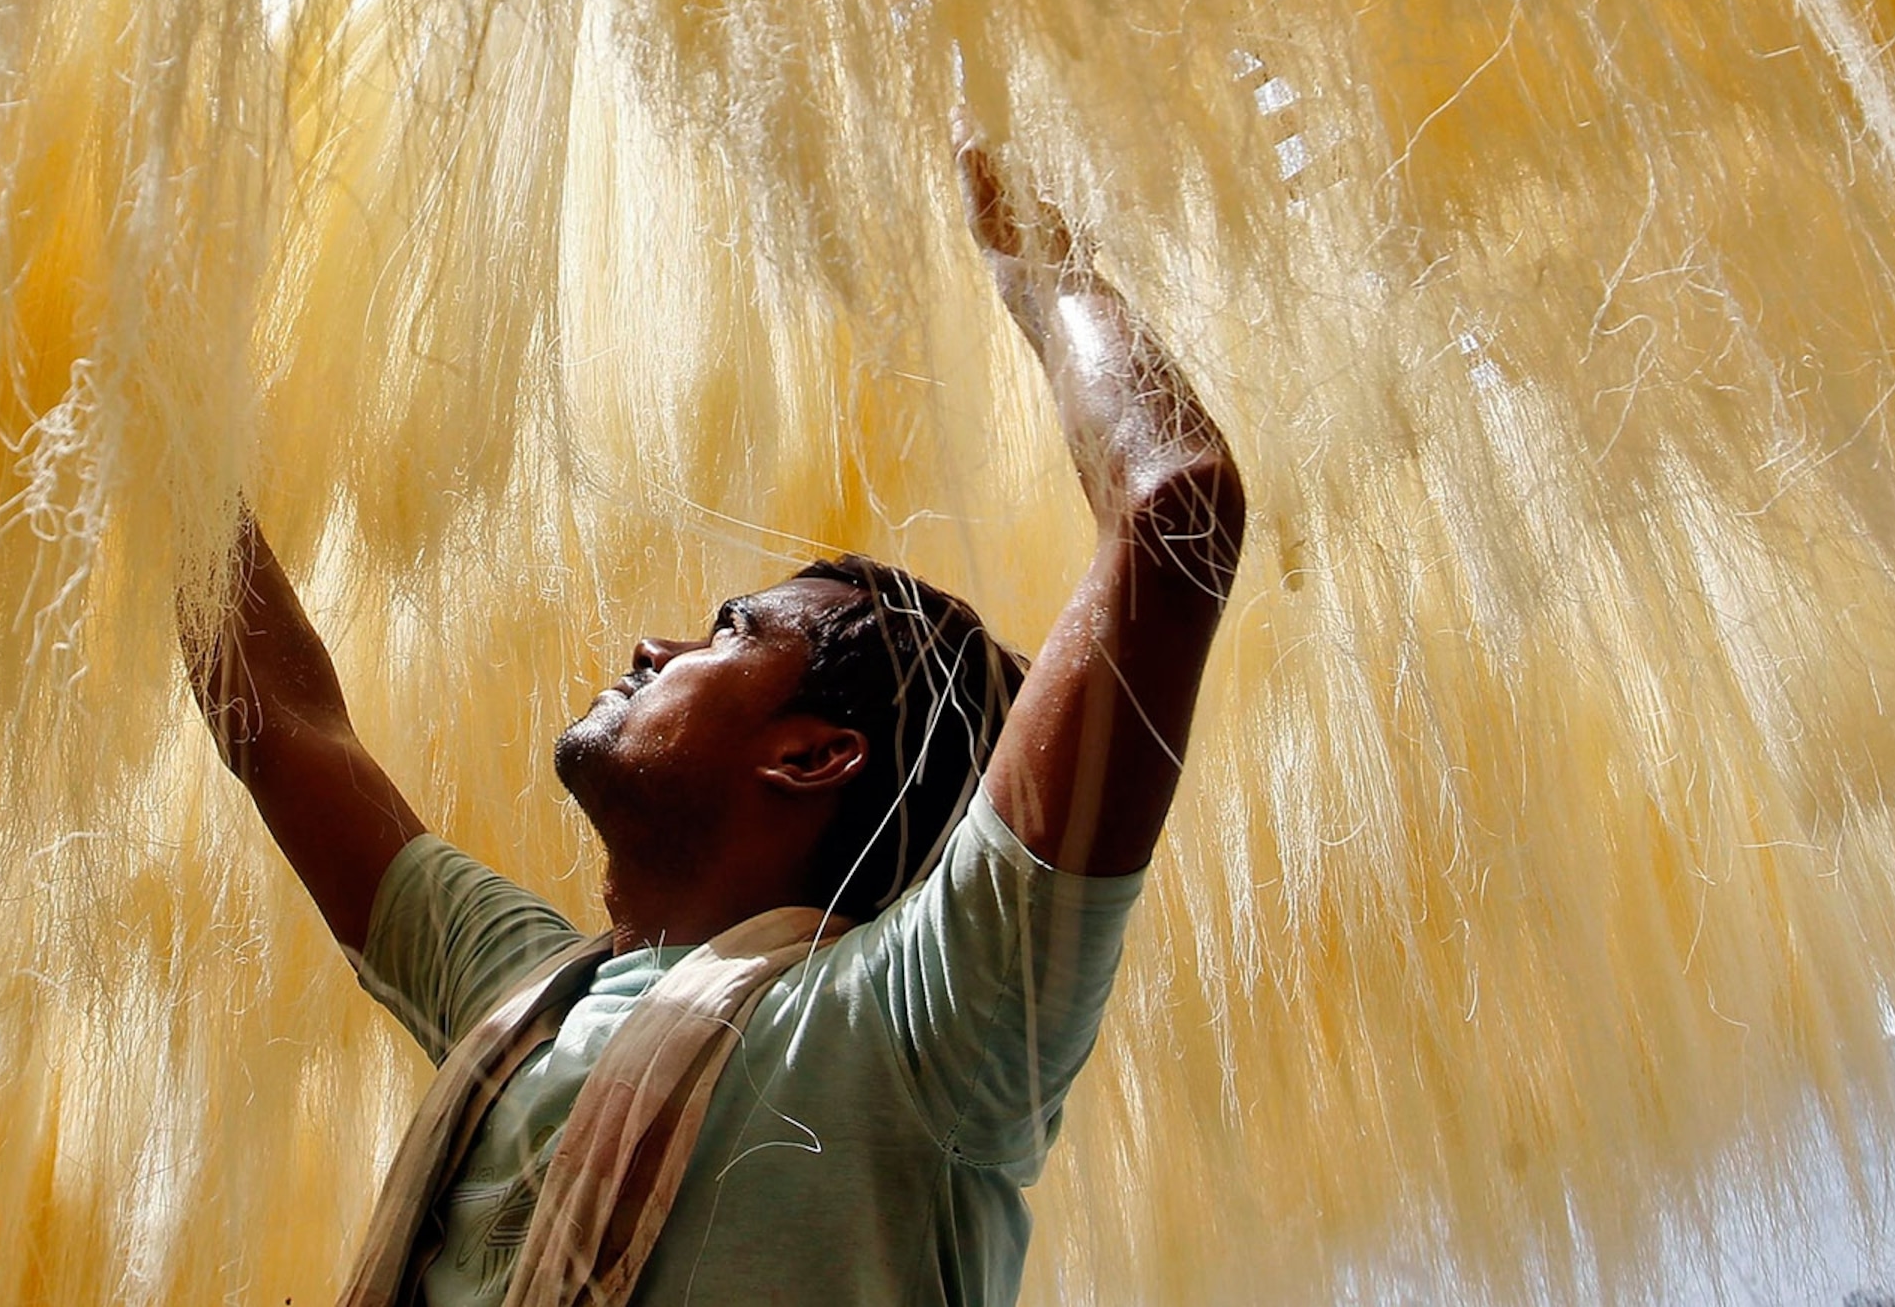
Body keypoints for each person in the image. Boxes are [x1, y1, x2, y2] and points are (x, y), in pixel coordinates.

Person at [187, 139, 1248, 1307]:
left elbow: (1172, 510)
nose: (654, 647)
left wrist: (1036, 260)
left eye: (730, 631)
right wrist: (162, 396)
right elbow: (280, 724)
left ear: (810, 755)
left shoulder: (926, 1021)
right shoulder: (528, 995)